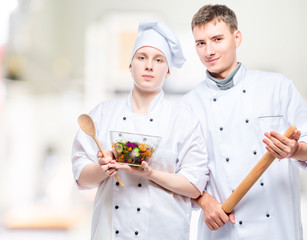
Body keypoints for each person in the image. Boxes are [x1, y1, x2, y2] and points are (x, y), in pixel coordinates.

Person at [179, 4, 307, 240]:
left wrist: (295, 149)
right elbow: (181, 174)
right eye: (201, 43)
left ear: (236, 37)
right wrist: (204, 201)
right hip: (224, 229)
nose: (208, 50)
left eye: (217, 39)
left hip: (277, 227)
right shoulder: (187, 106)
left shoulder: (277, 87)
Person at [72, 20, 209, 240]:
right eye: (141, 57)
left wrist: (151, 173)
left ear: (168, 71)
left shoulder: (184, 120)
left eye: (158, 60)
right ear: (130, 65)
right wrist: (103, 168)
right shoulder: (103, 114)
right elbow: (81, 178)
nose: (149, 66)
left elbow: (194, 187)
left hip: (165, 232)